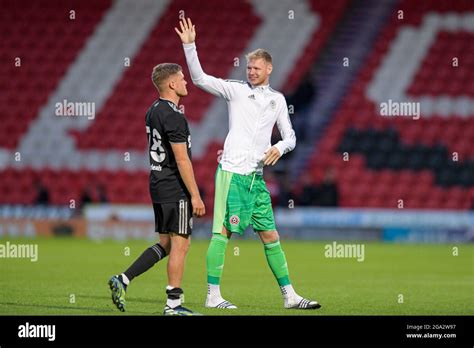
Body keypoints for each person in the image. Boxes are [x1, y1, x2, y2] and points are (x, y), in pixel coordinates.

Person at [175, 18, 320, 310]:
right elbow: (201, 79)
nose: (251, 72)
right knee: (223, 233)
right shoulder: (235, 90)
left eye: (256, 68)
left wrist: (279, 147)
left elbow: (290, 137)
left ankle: (289, 295)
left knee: (270, 235)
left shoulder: (277, 100)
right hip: (231, 174)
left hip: (256, 179)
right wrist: (189, 45)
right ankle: (212, 295)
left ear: (269, 69)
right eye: (248, 68)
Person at [108, 62, 205, 316]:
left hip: (158, 183)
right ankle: (173, 305)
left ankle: (123, 279)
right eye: (182, 78)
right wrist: (195, 194)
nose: (186, 82)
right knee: (181, 244)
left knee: (166, 243)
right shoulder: (174, 115)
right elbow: (182, 159)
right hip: (174, 186)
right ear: (171, 83)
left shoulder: (153, 110)